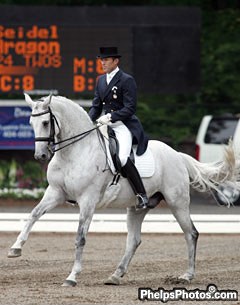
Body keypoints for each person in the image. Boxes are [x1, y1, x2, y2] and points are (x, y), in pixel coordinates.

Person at [88, 46, 149, 209]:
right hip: (104, 124)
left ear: (116, 61)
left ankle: (141, 195)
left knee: (122, 158)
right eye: (101, 60)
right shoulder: (100, 80)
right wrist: (88, 122)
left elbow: (130, 108)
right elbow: (95, 106)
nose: (103, 63)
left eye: (106, 60)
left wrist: (111, 116)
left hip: (123, 125)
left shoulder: (126, 80)